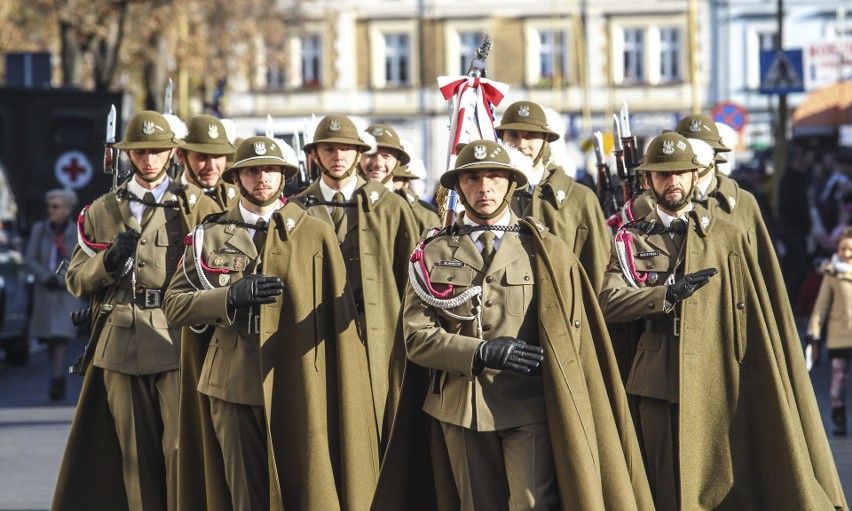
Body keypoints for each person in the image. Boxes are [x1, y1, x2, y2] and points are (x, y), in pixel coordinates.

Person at [374, 139, 654, 510]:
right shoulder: (431, 251)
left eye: (494, 177)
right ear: (458, 186)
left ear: (511, 183)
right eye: (472, 178)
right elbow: (416, 338)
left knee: (532, 504)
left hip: (528, 405)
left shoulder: (543, 249)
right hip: (462, 407)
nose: (484, 187)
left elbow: (574, 335)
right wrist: (481, 351)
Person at [599, 132, 846, 510]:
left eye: (681, 173)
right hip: (655, 377)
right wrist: (663, 296)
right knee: (663, 487)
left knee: (722, 484)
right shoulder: (630, 239)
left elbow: (751, 309)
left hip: (716, 374)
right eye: (663, 175)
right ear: (648, 181)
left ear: (695, 176)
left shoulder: (724, 234)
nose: (673, 182)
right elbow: (609, 302)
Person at [164, 136, 379, 510]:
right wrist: (228, 297)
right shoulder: (209, 235)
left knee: (306, 487)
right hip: (233, 384)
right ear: (236, 178)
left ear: (284, 176)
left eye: (270, 170)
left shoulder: (314, 232)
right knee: (246, 494)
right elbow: (174, 305)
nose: (261, 177)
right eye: (251, 170)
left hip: (300, 379)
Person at [53, 111, 219, 511]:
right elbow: (76, 279)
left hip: (176, 338)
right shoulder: (103, 209)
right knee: (135, 457)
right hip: (121, 341)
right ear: (128, 155)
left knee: (182, 447)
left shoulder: (194, 205)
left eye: (158, 151)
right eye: (141, 152)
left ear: (172, 154)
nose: (149, 160)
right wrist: (108, 260)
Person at [295, 114, 418, 437]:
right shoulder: (295, 210)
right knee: (321, 423)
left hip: (376, 334)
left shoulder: (392, 207)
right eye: (329, 149)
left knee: (377, 423)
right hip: (313, 335)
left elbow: (412, 281)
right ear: (315, 155)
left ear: (359, 154)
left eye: (346, 149)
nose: (338, 157)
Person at [496, 100, 610, 290]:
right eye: (513, 135)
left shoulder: (580, 199)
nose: (521, 144)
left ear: (545, 141)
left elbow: (598, 273)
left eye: (530, 136)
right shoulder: (492, 197)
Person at [24, 188, 85, 401]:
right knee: (49, 338)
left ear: (67, 209)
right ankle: (56, 373)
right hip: (44, 292)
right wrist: (44, 276)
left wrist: (60, 277)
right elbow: (30, 258)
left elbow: (77, 258)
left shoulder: (76, 231)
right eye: (49, 206)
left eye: (55, 206)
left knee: (60, 336)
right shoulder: (40, 229)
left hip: (66, 293)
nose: (50, 210)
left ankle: (57, 378)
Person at [806, 226, 852, 437]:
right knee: (838, 382)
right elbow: (821, 306)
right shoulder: (832, 274)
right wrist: (813, 331)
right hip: (839, 337)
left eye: (851, 249)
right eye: (844, 249)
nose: (847, 254)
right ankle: (839, 418)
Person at [361, 123, 440, 231]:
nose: (378, 163)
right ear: (357, 157)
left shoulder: (422, 214)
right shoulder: (343, 201)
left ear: (398, 162)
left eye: (386, 156)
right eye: (370, 155)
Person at [177, 114, 240, 210]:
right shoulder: (166, 198)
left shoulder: (240, 200)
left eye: (218, 156)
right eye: (202, 157)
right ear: (181, 156)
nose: (211, 166)